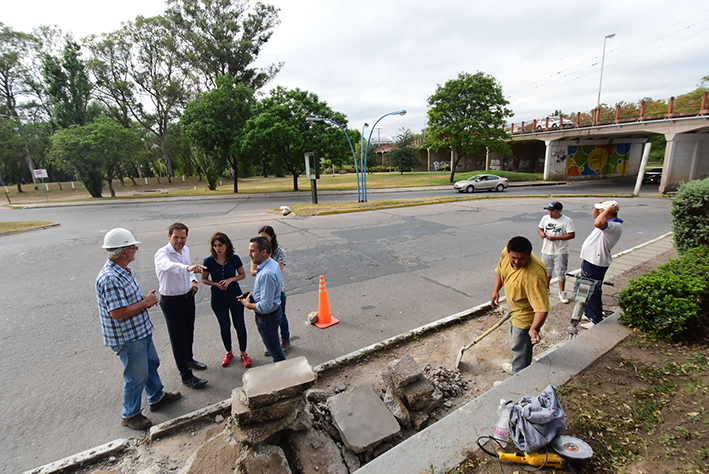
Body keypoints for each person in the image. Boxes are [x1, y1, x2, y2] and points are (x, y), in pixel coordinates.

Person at [96, 228, 181, 430]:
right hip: (127, 337)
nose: (135, 249)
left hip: (139, 330)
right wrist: (146, 303)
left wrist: (143, 299)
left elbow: (125, 299)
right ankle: (130, 413)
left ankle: (156, 396)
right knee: (136, 375)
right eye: (133, 246)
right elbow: (116, 312)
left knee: (151, 363)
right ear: (124, 251)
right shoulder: (110, 278)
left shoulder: (122, 269)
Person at [154, 222, 208, 389]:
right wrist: (188, 268)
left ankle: (189, 360)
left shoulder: (185, 250)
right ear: (169, 236)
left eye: (183, 237)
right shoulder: (162, 254)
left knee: (189, 332)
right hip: (171, 301)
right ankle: (186, 376)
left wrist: (193, 281)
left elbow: (189, 271)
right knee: (178, 338)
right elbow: (169, 267)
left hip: (187, 298)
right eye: (176, 237)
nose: (179, 240)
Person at [490, 236, 550, 375]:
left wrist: (534, 329)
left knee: (520, 349)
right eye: (513, 258)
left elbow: (542, 308)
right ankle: (519, 367)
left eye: (521, 259)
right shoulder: (506, 252)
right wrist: (496, 291)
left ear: (529, 256)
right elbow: (500, 271)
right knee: (519, 347)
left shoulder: (534, 276)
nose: (516, 262)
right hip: (516, 309)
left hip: (526, 317)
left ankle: (517, 379)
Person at [202, 232, 251, 368]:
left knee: (239, 324)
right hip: (218, 298)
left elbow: (242, 275)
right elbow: (204, 279)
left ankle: (243, 353)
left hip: (235, 295)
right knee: (224, 326)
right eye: (215, 245)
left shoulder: (234, 258)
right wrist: (216, 284)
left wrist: (230, 279)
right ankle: (228, 352)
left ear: (227, 245)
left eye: (221, 245)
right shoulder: (209, 261)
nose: (218, 248)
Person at [240, 236, 286, 362]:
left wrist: (247, 304)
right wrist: (250, 296)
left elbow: (265, 305)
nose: (249, 254)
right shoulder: (271, 264)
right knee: (275, 347)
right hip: (273, 313)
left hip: (267, 318)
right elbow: (265, 291)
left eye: (252, 251)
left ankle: (284, 376)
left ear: (264, 252)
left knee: (275, 352)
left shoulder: (267, 274)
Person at [579, 200, 623, 326]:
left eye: (601, 211)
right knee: (586, 289)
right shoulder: (607, 222)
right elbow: (596, 218)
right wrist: (596, 207)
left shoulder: (613, 226)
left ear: (608, 213)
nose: (599, 213)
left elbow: (598, 222)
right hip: (590, 260)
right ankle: (588, 313)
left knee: (592, 291)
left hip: (595, 262)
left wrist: (608, 210)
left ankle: (595, 319)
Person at [251, 225, 290, 353]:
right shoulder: (257, 250)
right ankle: (273, 344)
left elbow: (279, 269)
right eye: (260, 237)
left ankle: (285, 340)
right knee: (268, 322)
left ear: (272, 238)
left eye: (265, 238)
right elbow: (252, 271)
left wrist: (264, 270)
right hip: (263, 289)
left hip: (278, 291)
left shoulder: (279, 252)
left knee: (280, 317)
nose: (263, 240)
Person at [537, 201, 575, 304]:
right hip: (546, 250)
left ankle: (562, 292)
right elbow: (540, 228)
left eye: (552, 211)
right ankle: (546, 288)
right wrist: (541, 234)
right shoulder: (545, 218)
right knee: (546, 271)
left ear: (559, 211)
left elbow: (571, 235)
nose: (550, 213)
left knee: (560, 272)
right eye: (549, 210)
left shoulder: (566, 221)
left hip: (560, 251)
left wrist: (556, 238)